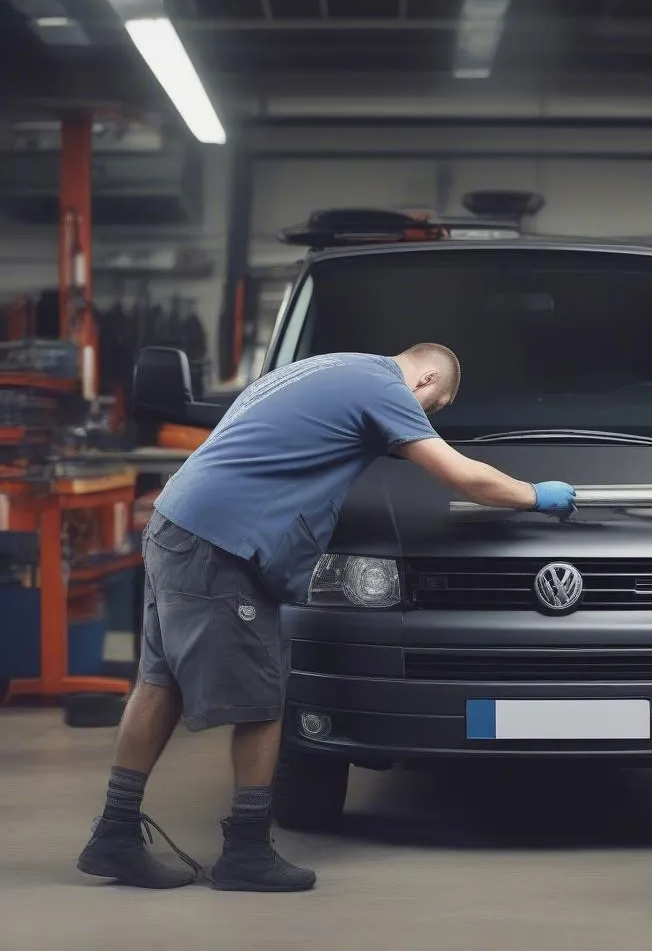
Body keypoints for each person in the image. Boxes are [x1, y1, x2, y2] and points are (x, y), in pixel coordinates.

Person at [77, 344, 575, 893]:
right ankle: (246, 850)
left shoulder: (331, 366)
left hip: (180, 525)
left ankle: (115, 832)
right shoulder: (385, 388)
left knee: (159, 681)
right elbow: (463, 477)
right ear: (427, 377)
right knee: (267, 696)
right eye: (432, 408)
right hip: (222, 544)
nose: (423, 418)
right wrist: (536, 495)